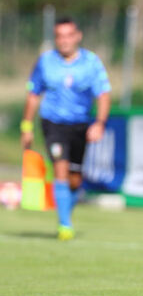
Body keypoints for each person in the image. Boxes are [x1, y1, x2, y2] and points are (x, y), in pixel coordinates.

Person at [21, 16, 111, 241]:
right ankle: (65, 225)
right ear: (55, 38)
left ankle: (65, 214)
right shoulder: (45, 62)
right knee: (60, 169)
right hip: (53, 124)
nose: (64, 41)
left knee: (75, 180)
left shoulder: (91, 62)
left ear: (77, 36)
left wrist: (99, 123)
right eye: (60, 36)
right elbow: (33, 95)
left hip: (80, 125)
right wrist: (26, 126)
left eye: (69, 35)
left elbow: (103, 94)